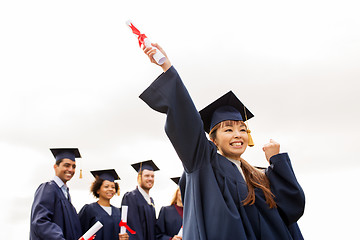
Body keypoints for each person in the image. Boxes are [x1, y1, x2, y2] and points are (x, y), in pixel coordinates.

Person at [139, 44, 305, 239]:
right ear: (213, 139)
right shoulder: (203, 164)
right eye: (228, 129)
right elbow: (188, 124)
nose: (238, 134)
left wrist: (278, 162)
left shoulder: (257, 174)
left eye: (242, 129)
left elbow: (291, 209)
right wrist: (167, 68)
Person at [30, 148, 82, 240]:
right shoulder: (48, 188)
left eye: (74, 167)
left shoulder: (66, 194)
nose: (71, 170)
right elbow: (40, 221)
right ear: (55, 167)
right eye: (67, 165)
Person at [78, 169, 129, 240]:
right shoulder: (89, 209)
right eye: (106, 186)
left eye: (113, 187)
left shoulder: (118, 212)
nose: (110, 189)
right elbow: (79, 231)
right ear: (98, 190)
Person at [121, 160, 159, 240]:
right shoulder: (131, 197)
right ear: (139, 177)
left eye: (152, 176)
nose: (150, 179)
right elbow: (133, 229)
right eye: (147, 176)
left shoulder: (151, 201)